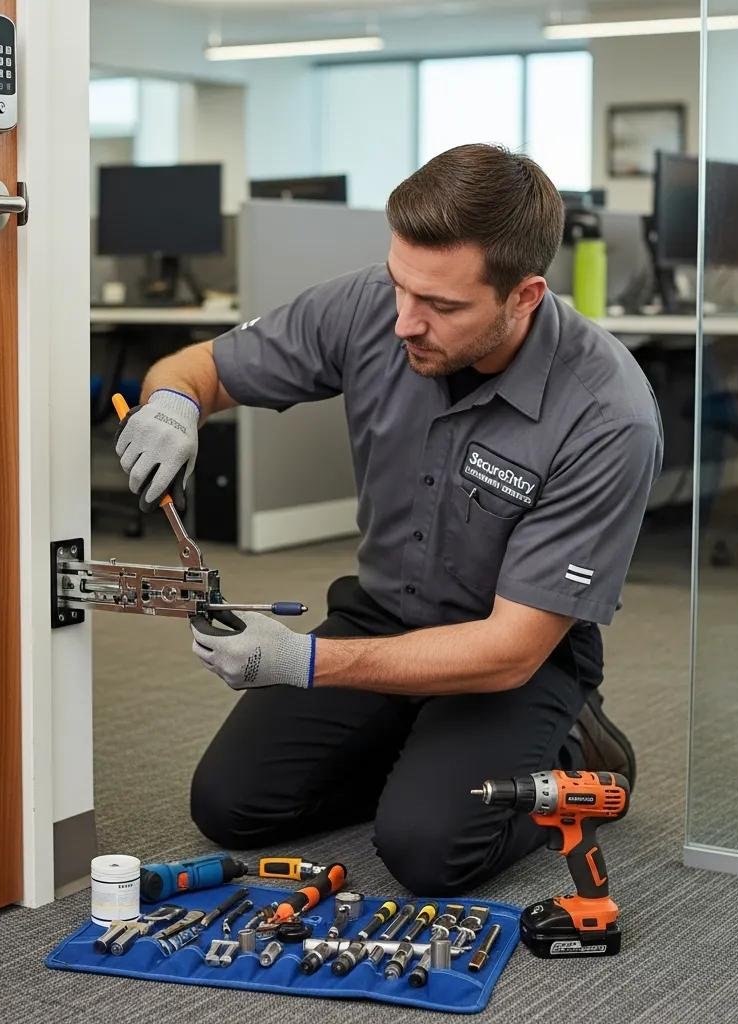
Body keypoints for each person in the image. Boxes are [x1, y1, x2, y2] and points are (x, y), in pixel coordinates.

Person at [113, 144, 663, 894]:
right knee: (230, 805)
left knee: (428, 850)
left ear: (525, 296)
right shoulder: (372, 304)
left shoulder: (606, 417)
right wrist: (173, 405)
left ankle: (575, 753)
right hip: (381, 614)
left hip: (509, 654)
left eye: (441, 306)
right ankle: (424, 753)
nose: (404, 321)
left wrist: (302, 662)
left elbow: (509, 649)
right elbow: (196, 367)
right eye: (401, 284)